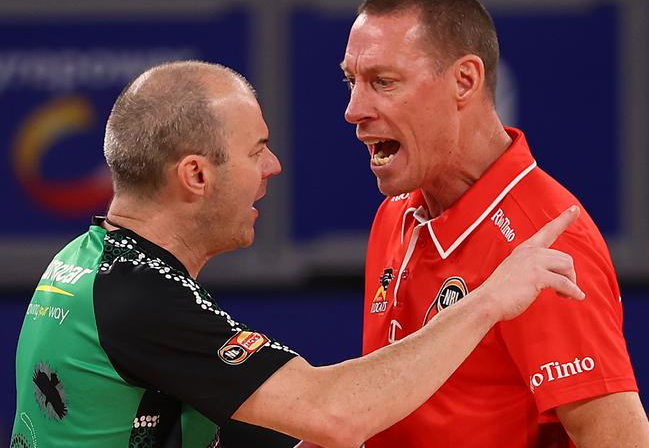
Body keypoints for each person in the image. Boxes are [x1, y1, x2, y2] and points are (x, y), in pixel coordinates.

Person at [11, 61, 584, 448]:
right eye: (256, 150)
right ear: (196, 175)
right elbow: (334, 413)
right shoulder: (140, 299)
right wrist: (488, 301)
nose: (272, 167)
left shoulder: (88, 261)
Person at [340, 0, 649, 448]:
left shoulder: (543, 241)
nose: (354, 109)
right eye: (351, 81)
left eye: (383, 82)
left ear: (465, 80)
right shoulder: (395, 214)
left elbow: (618, 438)